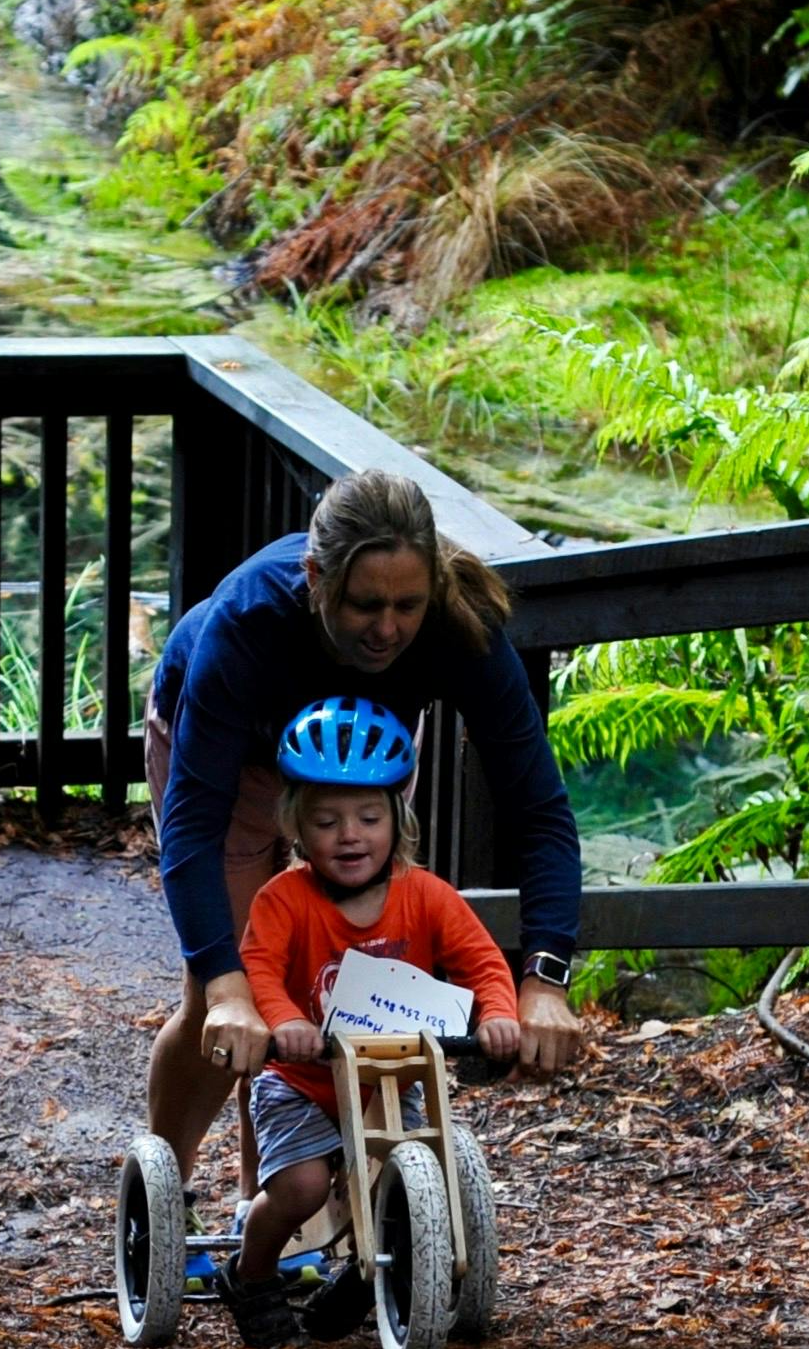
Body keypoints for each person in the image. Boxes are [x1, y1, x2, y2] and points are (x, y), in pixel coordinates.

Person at [145, 468, 586, 1200]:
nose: (388, 628)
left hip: (362, 761)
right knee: (240, 992)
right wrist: (226, 985)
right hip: (235, 762)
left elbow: (537, 806)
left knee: (339, 987)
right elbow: (192, 825)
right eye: (365, 605)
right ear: (317, 578)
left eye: (407, 605)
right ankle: (164, 1197)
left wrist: (543, 977)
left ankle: (288, 1215)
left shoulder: (457, 625)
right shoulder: (249, 622)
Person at [228, 696, 517, 1349]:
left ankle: (372, 1272)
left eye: (367, 816)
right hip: (305, 1078)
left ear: (397, 819)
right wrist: (284, 1021)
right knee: (301, 1186)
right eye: (327, 820)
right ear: (297, 825)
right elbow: (261, 973)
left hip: (387, 1072)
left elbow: (483, 962)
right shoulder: (284, 899)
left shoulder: (427, 895)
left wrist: (497, 1013)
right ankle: (250, 1273)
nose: (349, 834)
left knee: (410, 1167)